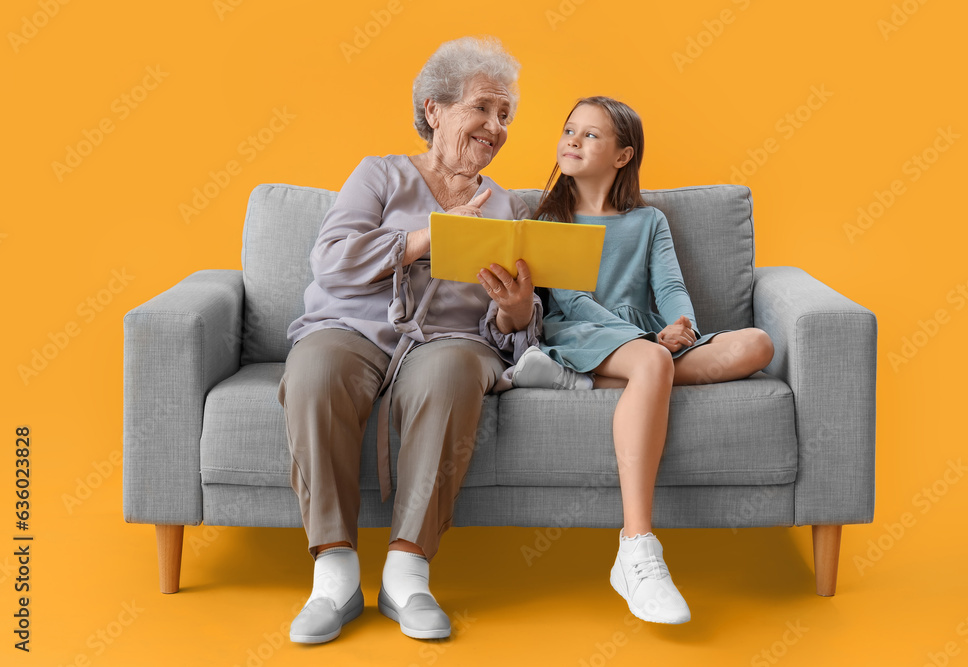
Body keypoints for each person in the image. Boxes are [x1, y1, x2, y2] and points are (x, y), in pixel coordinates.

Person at [278, 36, 541, 643]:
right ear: (434, 110)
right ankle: (334, 575)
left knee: (451, 373)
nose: (495, 127)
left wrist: (515, 311)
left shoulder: (505, 207)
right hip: (353, 328)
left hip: (448, 340)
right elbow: (331, 261)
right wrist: (428, 237)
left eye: (505, 116)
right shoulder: (380, 175)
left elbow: (507, 333)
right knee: (315, 370)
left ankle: (407, 573)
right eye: (483, 108)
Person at [510, 96, 774, 623]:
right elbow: (571, 300)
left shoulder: (649, 220)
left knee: (757, 345)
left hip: (650, 339)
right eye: (569, 130)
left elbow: (670, 286)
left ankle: (583, 383)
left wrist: (682, 327)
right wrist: (648, 339)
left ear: (623, 155)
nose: (573, 141)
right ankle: (636, 545)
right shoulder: (545, 219)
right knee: (652, 364)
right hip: (585, 330)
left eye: (591, 135)